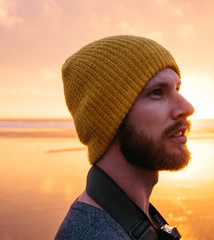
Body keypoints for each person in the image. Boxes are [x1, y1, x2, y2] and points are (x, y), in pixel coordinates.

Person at [55, 35, 195, 240]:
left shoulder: (134, 218)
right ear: (108, 118)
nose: (187, 108)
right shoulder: (92, 235)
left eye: (177, 89)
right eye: (157, 92)